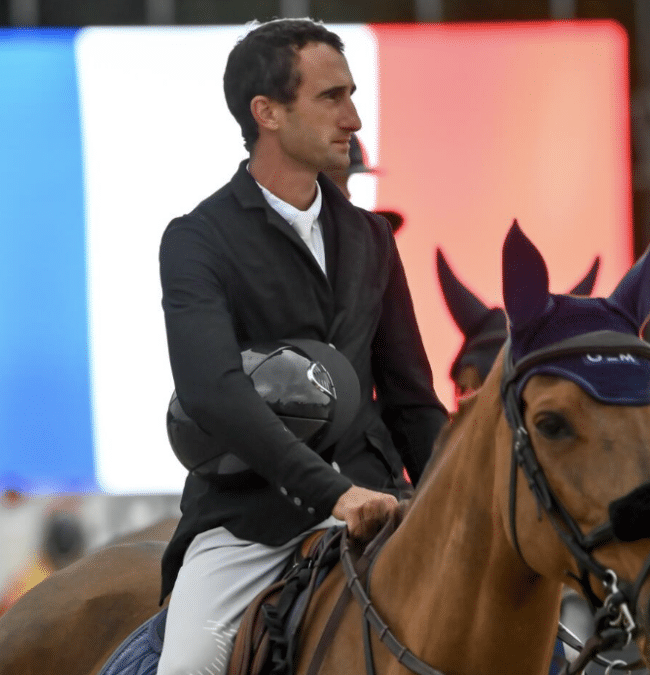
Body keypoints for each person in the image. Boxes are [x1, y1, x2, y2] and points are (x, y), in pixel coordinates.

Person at [157, 18, 448, 675]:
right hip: (251, 521)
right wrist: (332, 493)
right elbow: (214, 391)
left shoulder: (373, 238)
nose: (353, 118)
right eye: (331, 98)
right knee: (189, 664)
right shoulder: (197, 240)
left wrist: (448, 504)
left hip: (382, 504)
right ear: (268, 114)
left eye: (351, 95)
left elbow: (412, 403)